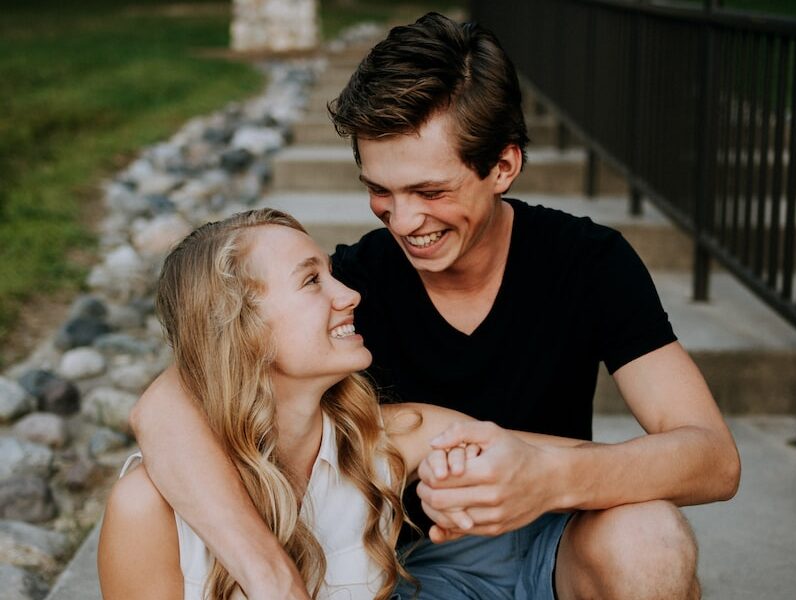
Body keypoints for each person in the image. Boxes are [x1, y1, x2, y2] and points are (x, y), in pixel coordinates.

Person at [129, 12, 741, 600]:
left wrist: (547, 479)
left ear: (503, 166)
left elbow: (712, 458)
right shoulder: (353, 287)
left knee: (650, 537)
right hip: (411, 568)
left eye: (430, 191)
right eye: (380, 191)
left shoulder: (587, 262)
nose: (403, 220)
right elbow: (169, 403)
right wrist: (271, 576)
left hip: (560, 545)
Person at [98, 208, 581, 599]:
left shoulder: (389, 440)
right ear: (241, 327)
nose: (350, 295)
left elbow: (576, 465)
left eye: (331, 274)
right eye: (312, 281)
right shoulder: (146, 509)